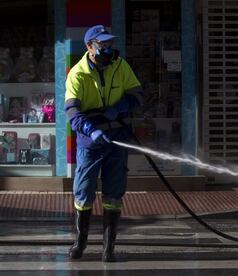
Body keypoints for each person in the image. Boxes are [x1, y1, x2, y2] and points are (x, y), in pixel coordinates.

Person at [65, 25, 144, 262]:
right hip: (91, 141)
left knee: (114, 193)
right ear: (90, 46)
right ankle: (80, 242)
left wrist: (120, 107)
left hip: (117, 138)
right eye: (103, 45)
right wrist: (91, 130)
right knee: (84, 190)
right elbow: (72, 112)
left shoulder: (121, 65)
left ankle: (108, 248)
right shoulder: (77, 74)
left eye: (110, 44)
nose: (109, 49)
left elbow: (138, 94)